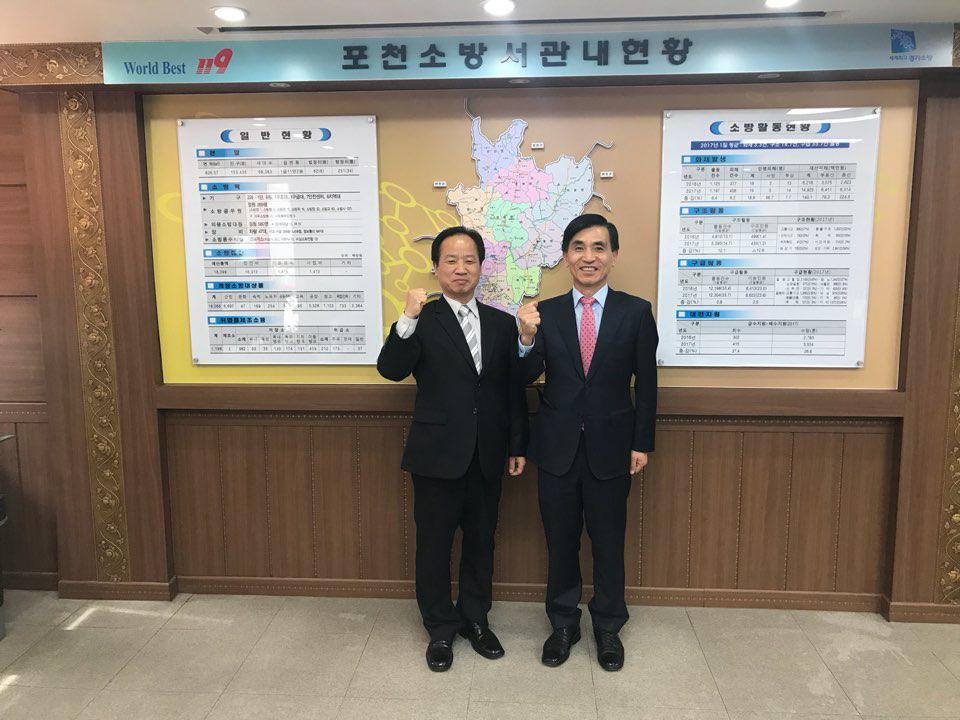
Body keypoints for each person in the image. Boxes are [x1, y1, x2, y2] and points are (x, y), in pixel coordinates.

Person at [377, 226, 528, 672]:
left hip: (487, 453)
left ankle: (475, 619)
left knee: (481, 541)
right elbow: (390, 369)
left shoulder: (502, 323)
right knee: (434, 545)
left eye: (469, 260)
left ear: (481, 267)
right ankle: (440, 628)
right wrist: (406, 318)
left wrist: (517, 444)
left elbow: (511, 391)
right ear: (436, 267)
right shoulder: (421, 319)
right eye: (451, 260)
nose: (461, 269)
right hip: (436, 454)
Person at [516, 214, 658, 672]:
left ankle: (608, 626)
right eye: (578, 247)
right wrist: (525, 338)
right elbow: (523, 376)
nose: (588, 257)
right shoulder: (546, 313)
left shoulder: (636, 312)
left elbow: (647, 384)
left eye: (599, 247)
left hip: (613, 448)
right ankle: (563, 624)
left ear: (614, 255)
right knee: (560, 541)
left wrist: (642, 442)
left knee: (608, 542)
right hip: (556, 448)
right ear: (565, 256)